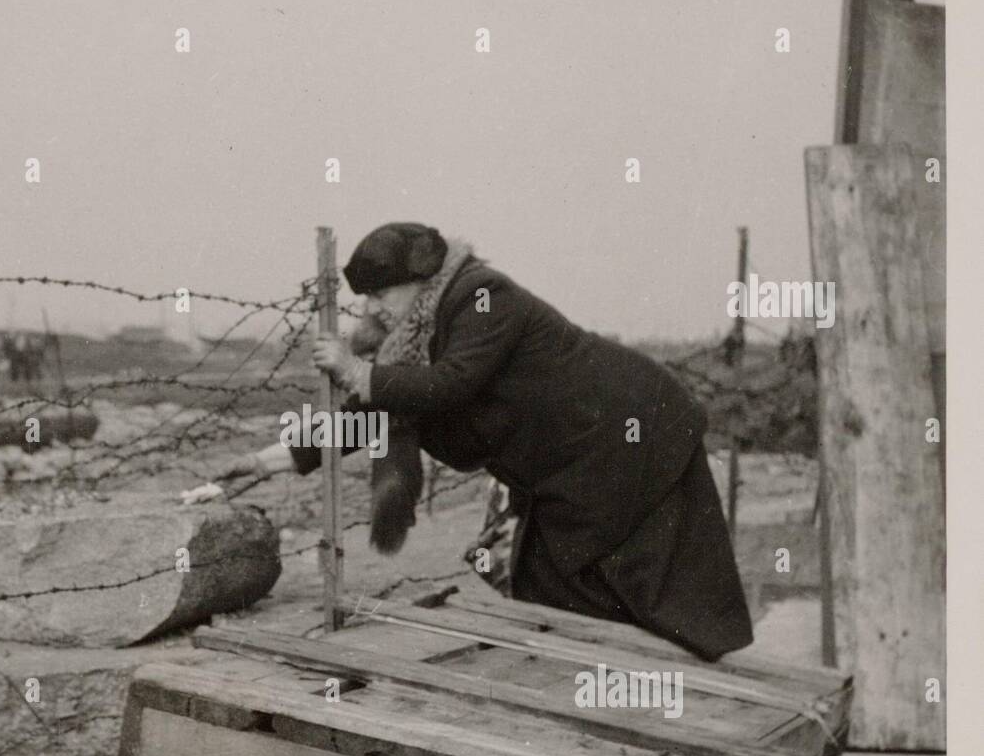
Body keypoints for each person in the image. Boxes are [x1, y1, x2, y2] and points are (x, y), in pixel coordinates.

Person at [218, 221, 753, 661]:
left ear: (421, 279)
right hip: (578, 458)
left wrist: (356, 370)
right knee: (556, 583)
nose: (373, 308)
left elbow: (451, 384)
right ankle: (615, 689)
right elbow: (366, 416)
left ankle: (693, 690)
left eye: (381, 293)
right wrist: (263, 462)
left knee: (650, 574)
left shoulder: (481, 297)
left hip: (631, 431)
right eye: (367, 297)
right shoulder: (415, 338)